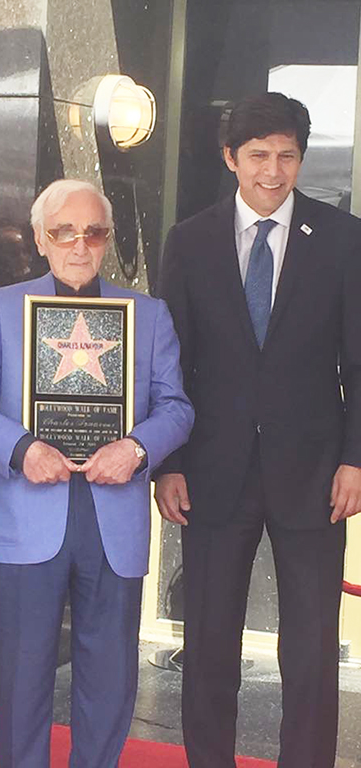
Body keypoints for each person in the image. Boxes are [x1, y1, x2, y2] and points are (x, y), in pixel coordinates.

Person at [0, 179, 194, 768]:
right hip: (24, 513)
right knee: (22, 674)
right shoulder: (2, 308)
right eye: (63, 231)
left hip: (114, 519)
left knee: (110, 682)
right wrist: (21, 448)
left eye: (94, 232)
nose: (79, 244)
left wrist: (136, 449)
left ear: (107, 240)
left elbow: (177, 407)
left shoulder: (147, 314)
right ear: (40, 237)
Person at [154, 91, 361, 767]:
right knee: (209, 645)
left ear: (302, 158)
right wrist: (170, 462)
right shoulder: (189, 241)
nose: (273, 170)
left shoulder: (342, 239)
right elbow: (170, 363)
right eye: (258, 155)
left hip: (316, 472)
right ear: (229, 158)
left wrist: (356, 459)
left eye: (288, 155)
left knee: (309, 651)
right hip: (212, 471)